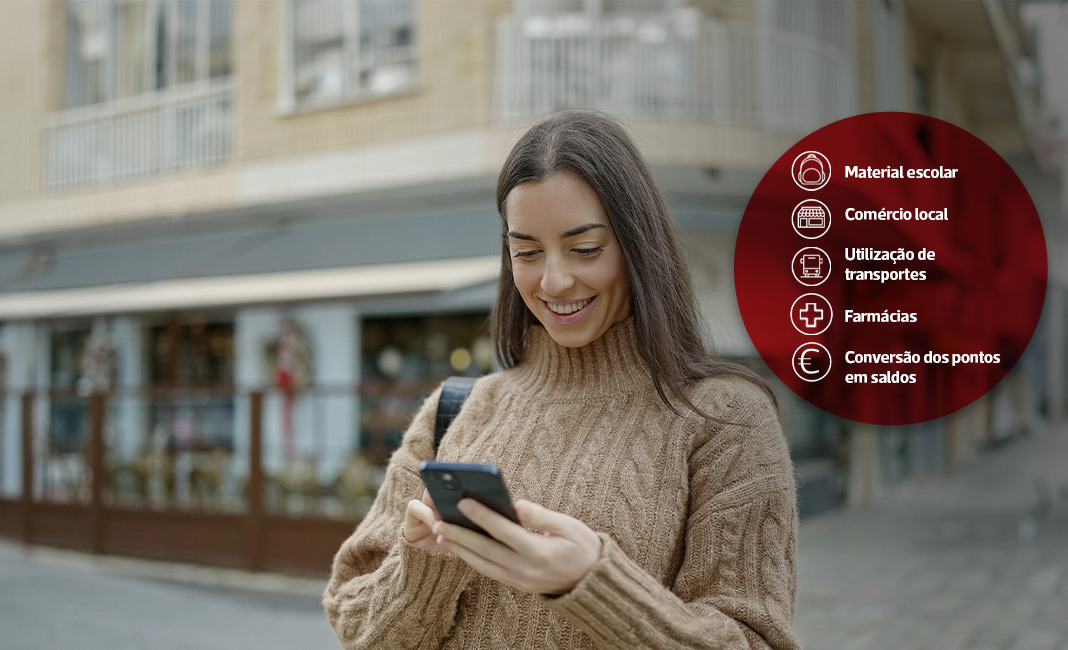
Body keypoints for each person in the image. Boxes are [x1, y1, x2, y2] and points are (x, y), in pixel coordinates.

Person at [322, 109, 800, 649]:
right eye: (525, 252)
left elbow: (755, 641)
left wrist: (593, 583)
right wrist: (427, 572)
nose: (554, 280)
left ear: (638, 245)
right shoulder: (454, 410)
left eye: (586, 249)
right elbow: (355, 619)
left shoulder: (725, 419)